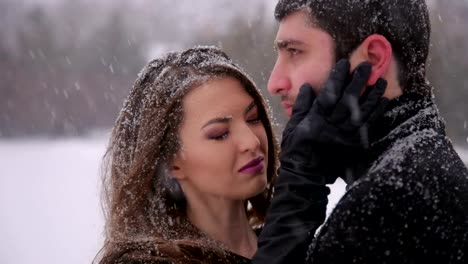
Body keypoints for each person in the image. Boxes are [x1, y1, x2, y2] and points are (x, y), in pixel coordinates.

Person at [253, 0, 468, 263]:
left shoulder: (389, 203)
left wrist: (298, 183)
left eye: (295, 51)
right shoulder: (422, 167)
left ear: (373, 59)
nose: (274, 82)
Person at [94, 46, 280, 264]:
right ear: (171, 163)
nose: (252, 141)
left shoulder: (296, 244)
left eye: (253, 118)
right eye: (220, 134)